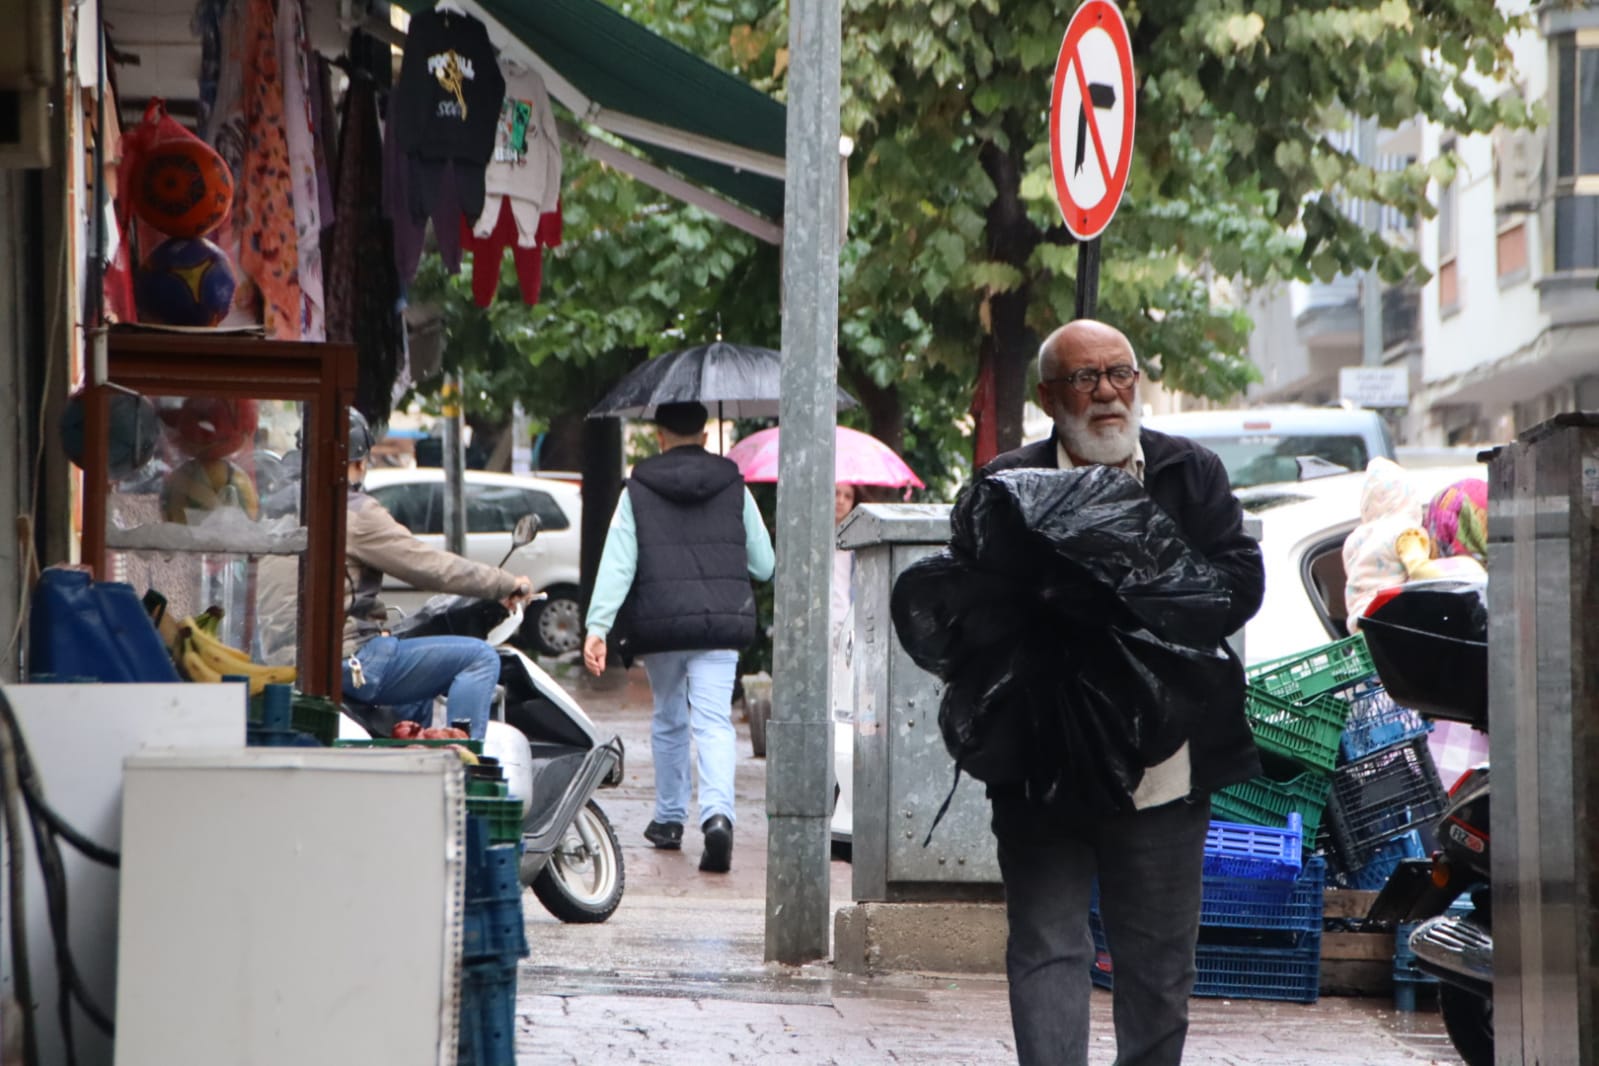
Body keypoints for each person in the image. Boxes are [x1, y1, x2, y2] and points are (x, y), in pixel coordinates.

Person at [977, 320, 1265, 1066]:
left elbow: (1238, 583)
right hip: (1042, 761)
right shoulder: (1006, 482)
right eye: (1084, 378)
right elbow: (973, 610)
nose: (1105, 393)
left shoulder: (1187, 472)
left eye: (1119, 374)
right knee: (1044, 946)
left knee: (1159, 964)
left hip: (1163, 766)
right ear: (1047, 396)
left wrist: (1134, 579)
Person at [582, 402, 776, 873]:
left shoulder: (639, 490)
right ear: (705, 436)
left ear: (660, 437)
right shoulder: (734, 486)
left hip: (661, 622)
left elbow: (618, 562)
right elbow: (764, 564)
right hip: (719, 621)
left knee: (670, 718)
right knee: (714, 723)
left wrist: (598, 626)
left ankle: (669, 820)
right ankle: (717, 818)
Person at [343, 409, 532, 739]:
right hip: (350, 660)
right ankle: (463, 767)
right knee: (478, 658)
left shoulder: (290, 506)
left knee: (412, 692)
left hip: (286, 657)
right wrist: (506, 582)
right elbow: (428, 566)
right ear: (359, 461)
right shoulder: (353, 512)